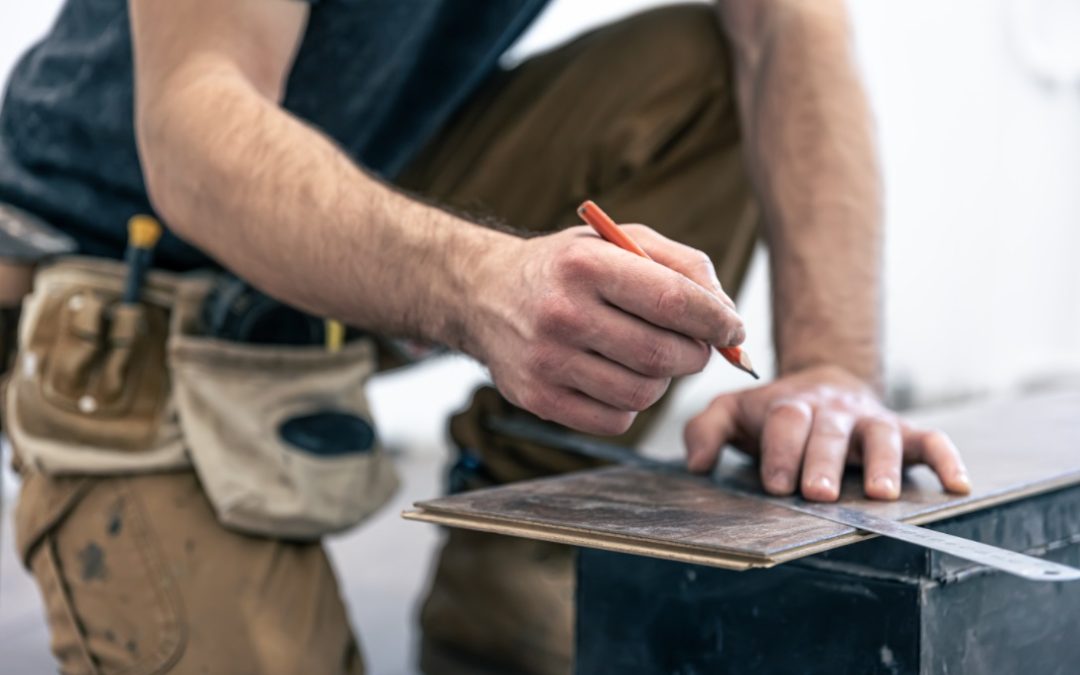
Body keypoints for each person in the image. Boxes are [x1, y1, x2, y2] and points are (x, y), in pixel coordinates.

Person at [0, 0, 971, 673]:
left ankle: (512, 548)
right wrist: (479, 282)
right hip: (114, 276)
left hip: (356, 189)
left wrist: (833, 368)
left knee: (699, 80)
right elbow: (191, 120)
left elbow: (786, 28)